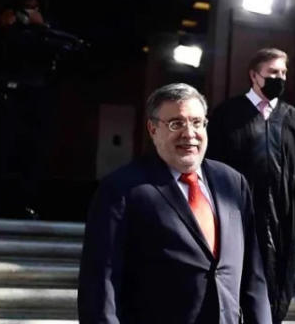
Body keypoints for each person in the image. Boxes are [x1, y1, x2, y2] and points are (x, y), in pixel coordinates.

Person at [78, 83, 271, 324]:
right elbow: (100, 284)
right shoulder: (121, 190)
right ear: (152, 129)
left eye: (197, 122)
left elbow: (254, 275)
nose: (189, 133)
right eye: (176, 123)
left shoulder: (232, 183)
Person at [207, 47, 295, 323]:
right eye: (272, 73)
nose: (279, 78)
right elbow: (212, 162)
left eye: (283, 73)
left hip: (281, 210)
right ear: (254, 75)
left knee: (278, 273)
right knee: (242, 270)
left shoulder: (291, 116)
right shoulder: (229, 114)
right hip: (238, 210)